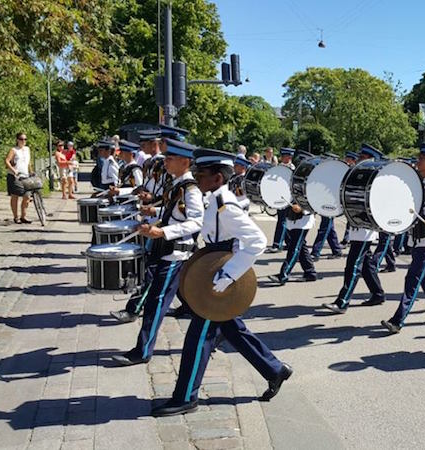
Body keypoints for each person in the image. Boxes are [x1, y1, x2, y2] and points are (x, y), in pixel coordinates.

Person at [151, 148, 292, 417]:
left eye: (200, 174)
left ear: (216, 178)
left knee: (198, 337)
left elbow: (257, 242)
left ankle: (185, 397)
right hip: (213, 273)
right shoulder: (212, 200)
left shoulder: (225, 206)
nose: (196, 178)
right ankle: (275, 369)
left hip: (221, 279)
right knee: (232, 329)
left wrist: (228, 276)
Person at [112, 139, 204, 366]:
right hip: (167, 250)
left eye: (170, 159)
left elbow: (196, 222)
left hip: (176, 253)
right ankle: (222, 330)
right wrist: (153, 212)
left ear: (185, 161)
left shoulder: (190, 189)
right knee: (173, 297)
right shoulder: (177, 184)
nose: (166, 162)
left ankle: (143, 351)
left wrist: (163, 232)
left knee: (157, 302)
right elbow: (173, 211)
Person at [381, 143, 425, 333]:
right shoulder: (414, 183)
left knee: (413, 277)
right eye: (419, 157)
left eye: (423, 158)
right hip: (415, 236)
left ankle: (398, 320)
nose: (419, 160)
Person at [321, 144, 387, 314]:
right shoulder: (357, 176)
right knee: (365, 265)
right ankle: (378, 293)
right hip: (357, 227)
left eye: (363, 158)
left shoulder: (376, 180)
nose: (358, 160)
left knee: (353, 265)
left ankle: (343, 301)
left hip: (366, 229)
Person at [268, 151, 317, 285]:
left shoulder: (312, 181)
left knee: (294, 247)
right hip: (293, 217)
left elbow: (316, 200)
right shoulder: (295, 178)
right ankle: (310, 272)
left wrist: (302, 208)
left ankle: (283, 274)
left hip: (304, 218)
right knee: (300, 246)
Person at [267, 148, 296, 253]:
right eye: (282, 156)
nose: (283, 158)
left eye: (285, 156)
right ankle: (289, 243)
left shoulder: (292, 168)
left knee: (282, 220)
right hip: (280, 196)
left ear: (289, 157)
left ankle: (277, 244)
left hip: (287, 197)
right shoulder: (280, 167)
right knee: (284, 220)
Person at [4, 133, 32, 224]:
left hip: (25, 175)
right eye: (21, 139)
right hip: (14, 175)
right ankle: (16, 217)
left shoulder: (27, 149)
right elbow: (7, 161)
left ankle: (23, 216)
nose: (23, 141)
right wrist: (13, 170)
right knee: (15, 196)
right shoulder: (14, 150)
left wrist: (31, 171)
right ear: (17, 140)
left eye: (25, 139)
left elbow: (28, 162)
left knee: (27, 196)